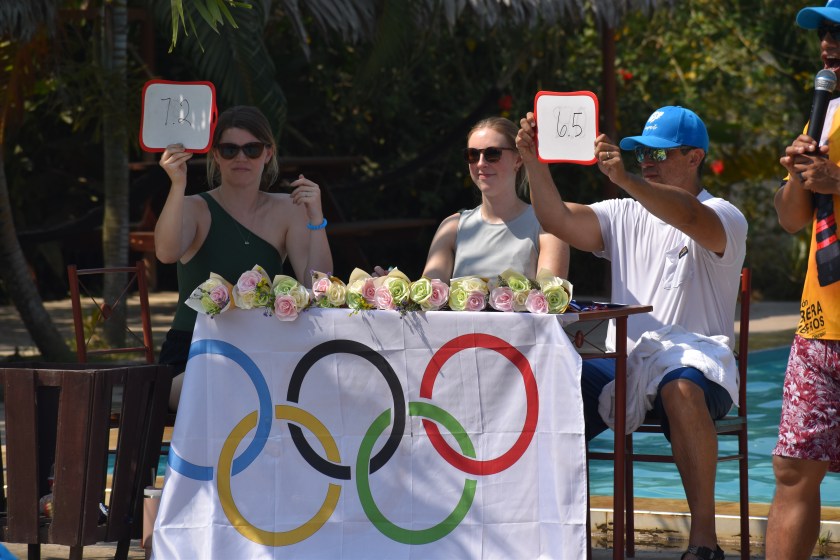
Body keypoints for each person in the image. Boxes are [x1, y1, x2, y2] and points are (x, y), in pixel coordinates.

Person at [517, 106, 747, 560]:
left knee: (681, 386)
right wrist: (534, 163)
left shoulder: (725, 214)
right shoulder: (623, 211)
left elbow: (689, 217)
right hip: (624, 364)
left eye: (659, 153)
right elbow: (557, 220)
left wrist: (625, 179)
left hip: (700, 367)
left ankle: (704, 542)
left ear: (695, 157)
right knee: (547, 383)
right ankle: (548, 535)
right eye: (641, 153)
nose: (646, 161)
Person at [155, 105, 333, 410]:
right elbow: (165, 253)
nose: (241, 158)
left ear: (268, 153)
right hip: (193, 355)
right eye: (230, 149)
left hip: (263, 350)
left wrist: (316, 220)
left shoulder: (288, 209)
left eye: (252, 149)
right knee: (232, 385)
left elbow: (318, 286)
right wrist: (177, 184)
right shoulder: (195, 207)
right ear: (216, 155)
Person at [766, 3, 840, 558]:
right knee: (793, 469)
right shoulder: (825, 114)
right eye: (824, 33)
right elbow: (791, 218)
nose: (828, 43)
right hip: (819, 327)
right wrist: (798, 175)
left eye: (839, 32)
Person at [421, 116, 568, 282]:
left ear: (518, 159)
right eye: (472, 155)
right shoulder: (452, 227)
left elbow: (551, 295)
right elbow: (429, 292)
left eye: (492, 154)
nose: (480, 163)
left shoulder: (547, 226)